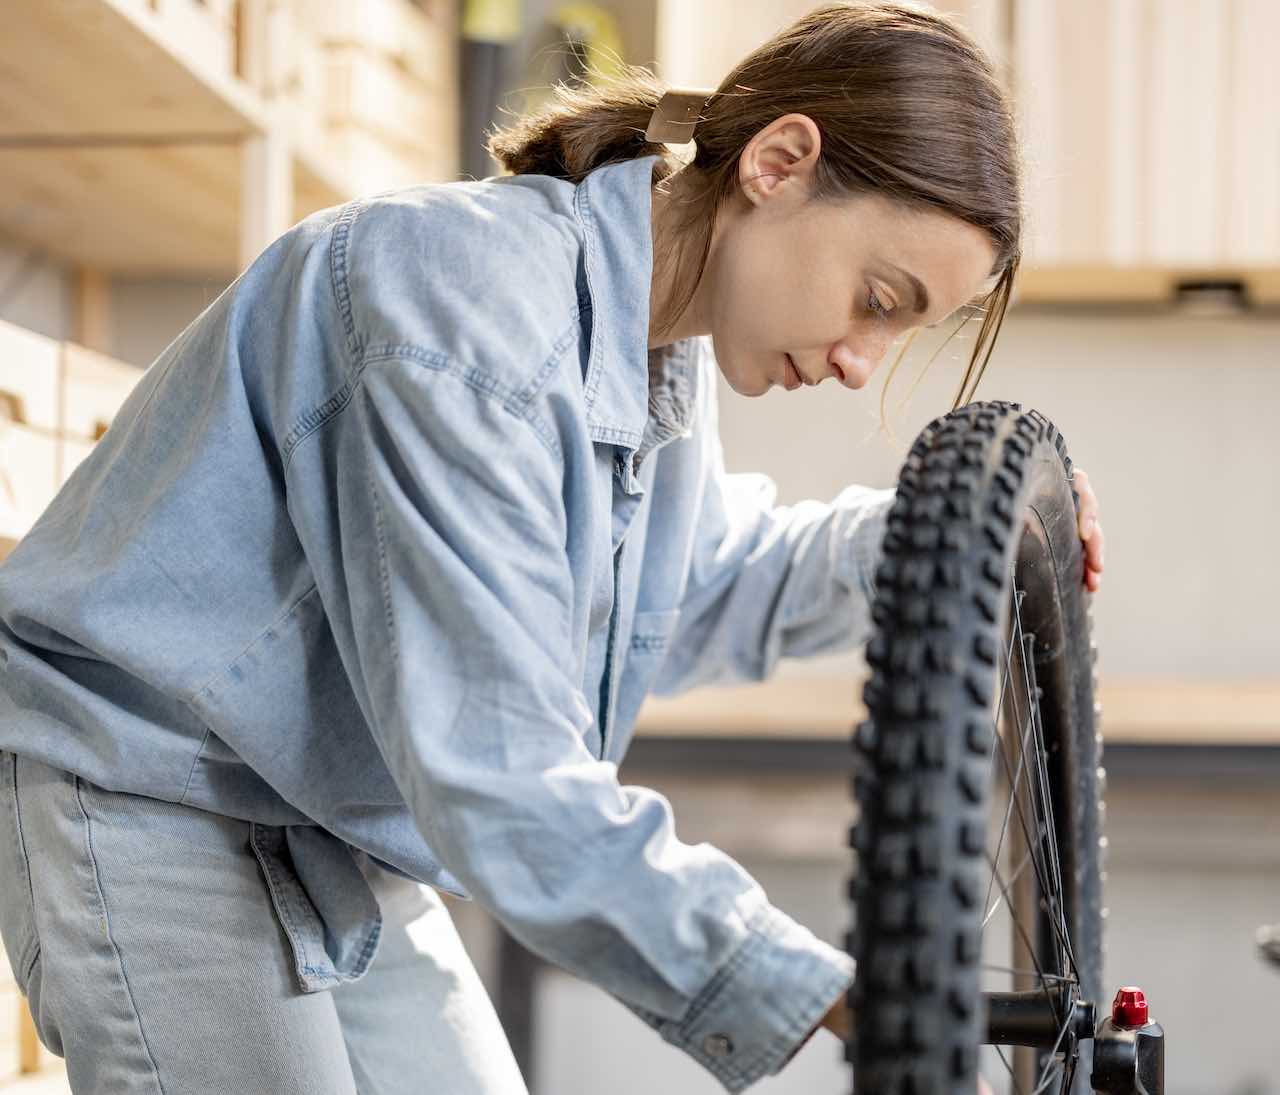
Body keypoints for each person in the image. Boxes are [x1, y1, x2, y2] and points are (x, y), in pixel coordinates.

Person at [0, 2, 1105, 1092]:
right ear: (778, 162)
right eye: (875, 299)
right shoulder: (461, 306)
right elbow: (498, 770)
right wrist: (817, 984)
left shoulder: (648, 353)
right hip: (145, 790)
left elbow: (698, 587)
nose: (863, 363)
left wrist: (946, 534)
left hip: (322, 825)